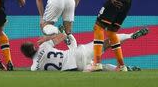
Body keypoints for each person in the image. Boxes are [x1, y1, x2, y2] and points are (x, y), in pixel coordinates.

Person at [20, 28, 148, 71]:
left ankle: (123, 69)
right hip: (77, 53)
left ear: (26, 56)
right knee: (105, 43)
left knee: (101, 67)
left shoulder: (34, 67)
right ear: (35, 46)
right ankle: (131, 36)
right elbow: (63, 35)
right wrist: (48, 37)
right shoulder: (44, 46)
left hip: (75, 68)